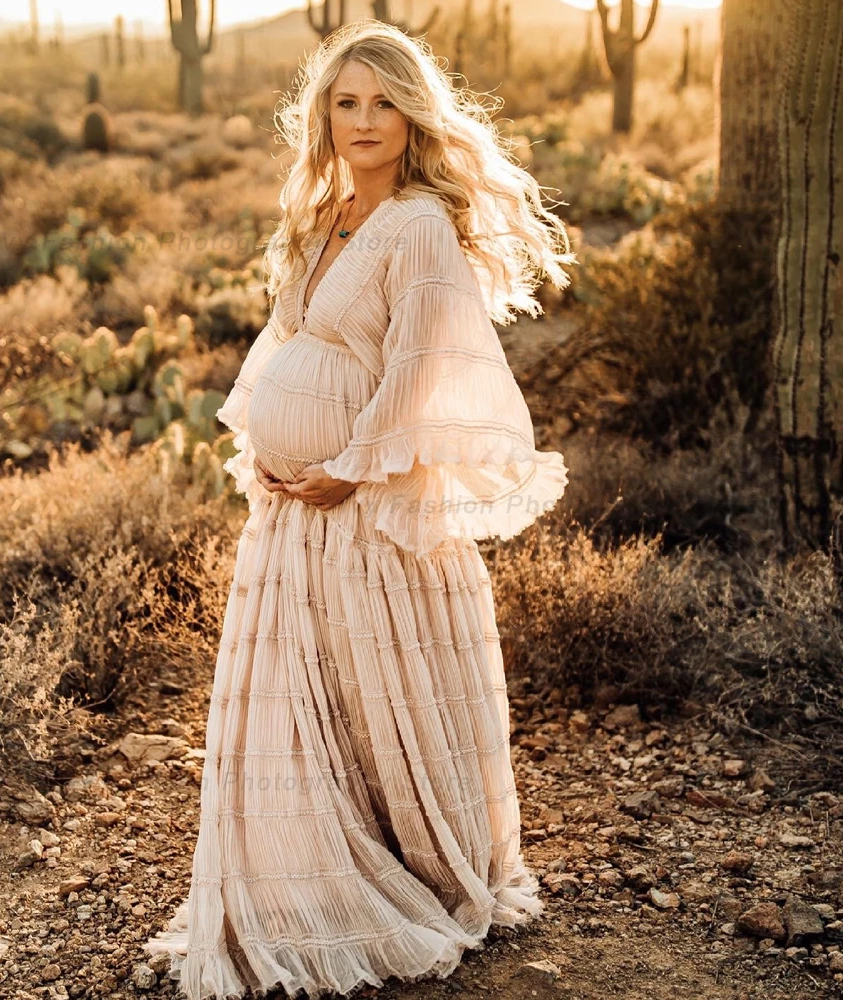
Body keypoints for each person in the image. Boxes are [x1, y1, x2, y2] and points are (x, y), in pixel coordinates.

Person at [145, 17, 575, 1000]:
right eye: (347, 102)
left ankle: (410, 864)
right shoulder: (325, 215)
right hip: (295, 513)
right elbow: (281, 338)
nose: (365, 119)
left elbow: (418, 370)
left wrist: (349, 464)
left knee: (380, 699)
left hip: (369, 511)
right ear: (323, 115)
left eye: (384, 101)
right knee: (316, 704)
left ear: (412, 115)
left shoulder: (419, 225)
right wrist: (261, 440)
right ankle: (308, 869)